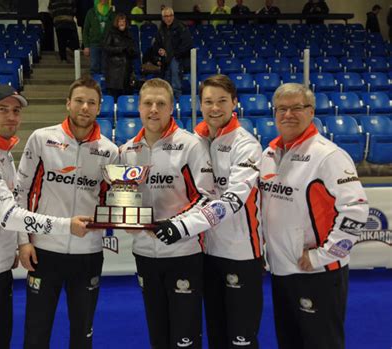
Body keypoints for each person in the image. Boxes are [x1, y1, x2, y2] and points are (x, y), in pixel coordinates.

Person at [0, 84, 93, 349]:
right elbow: (10, 215)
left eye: (15, 110)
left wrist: (14, 247)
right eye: (2, 110)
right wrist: (65, 225)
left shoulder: (3, 155)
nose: (11, 116)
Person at [154, 74, 264, 348]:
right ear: (200, 104)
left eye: (222, 101)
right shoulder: (195, 140)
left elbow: (232, 199)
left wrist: (182, 226)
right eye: (209, 102)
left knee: (241, 337)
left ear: (234, 103)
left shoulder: (246, 144)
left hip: (241, 253)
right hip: (205, 253)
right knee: (215, 333)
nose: (215, 108)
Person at [260, 83, 369, 349]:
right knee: (290, 341)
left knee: (322, 343)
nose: (288, 114)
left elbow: (356, 210)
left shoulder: (328, 155)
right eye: (282, 109)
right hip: (281, 270)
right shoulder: (268, 154)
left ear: (311, 112)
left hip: (317, 272)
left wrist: (323, 255)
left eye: (297, 108)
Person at [17, 76, 119, 349]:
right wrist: (24, 241)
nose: (84, 107)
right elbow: (21, 192)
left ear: (99, 108)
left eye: (91, 102)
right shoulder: (41, 139)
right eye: (79, 101)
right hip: (44, 250)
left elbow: (115, 199)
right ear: (68, 104)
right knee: (36, 330)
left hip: (88, 254)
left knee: (83, 331)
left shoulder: (110, 151)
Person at [119, 78, 215, 349]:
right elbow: (121, 195)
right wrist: (123, 215)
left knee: (185, 334)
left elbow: (206, 197)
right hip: (145, 254)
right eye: (148, 103)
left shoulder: (190, 145)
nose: (153, 109)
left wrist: (173, 226)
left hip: (183, 253)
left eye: (160, 103)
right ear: (138, 107)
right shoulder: (127, 151)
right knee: (158, 331)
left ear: (171, 107)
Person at [152, 7, 193, 101]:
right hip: (165, 59)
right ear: (162, 17)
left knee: (176, 83)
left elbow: (187, 44)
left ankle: (178, 103)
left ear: (173, 16)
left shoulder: (181, 27)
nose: (168, 18)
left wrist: (175, 54)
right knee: (166, 83)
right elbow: (156, 44)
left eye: (170, 16)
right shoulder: (161, 29)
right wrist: (159, 50)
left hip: (177, 58)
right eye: (166, 16)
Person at [103, 13, 138, 100]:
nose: (122, 23)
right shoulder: (111, 33)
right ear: (117, 22)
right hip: (114, 72)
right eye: (120, 21)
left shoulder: (129, 35)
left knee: (126, 97)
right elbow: (106, 48)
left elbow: (134, 52)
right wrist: (120, 49)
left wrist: (131, 51)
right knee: (115, 97)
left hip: (127, 71)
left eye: (124, 21)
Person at [83, 0, 115, 75]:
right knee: (94, 67)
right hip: (94, 44)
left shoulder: (112, 14)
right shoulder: (91, 12)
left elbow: (115, 31)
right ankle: (94, 85)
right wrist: (86, 46)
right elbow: (85, 30)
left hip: (107, 45)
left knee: (106, 68)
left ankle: (103, 86)